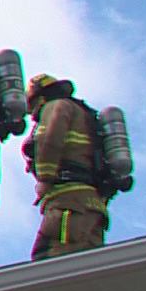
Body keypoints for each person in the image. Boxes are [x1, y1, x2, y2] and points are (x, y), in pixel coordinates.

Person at [24, 73, 110, 260]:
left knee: (51, 255)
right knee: (89, 264)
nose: (32, 114)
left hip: (68, 202)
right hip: (93, 206)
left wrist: (45, 178)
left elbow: (49, 140)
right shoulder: (85, 116)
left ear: (40, 97)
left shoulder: (56, 106)